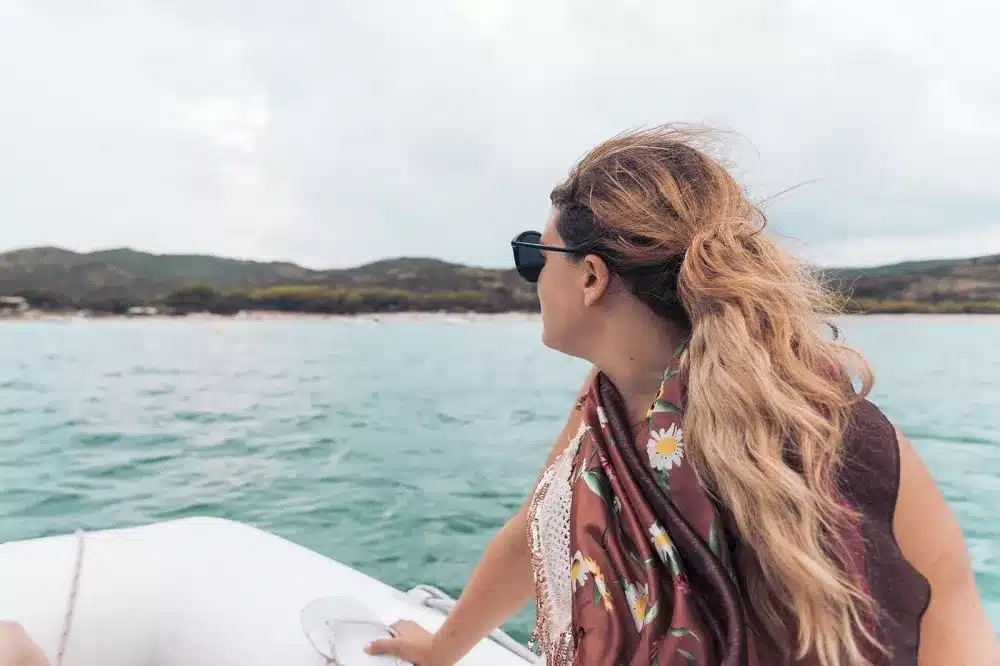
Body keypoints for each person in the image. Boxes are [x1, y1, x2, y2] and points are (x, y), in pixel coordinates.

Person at [367, 126, 999, 666]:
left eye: (537, 256)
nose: (532, 277)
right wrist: (441, 650)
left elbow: (945, 601)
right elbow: (537, 532)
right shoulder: (608, 403)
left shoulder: (821, 431)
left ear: (590, 277)